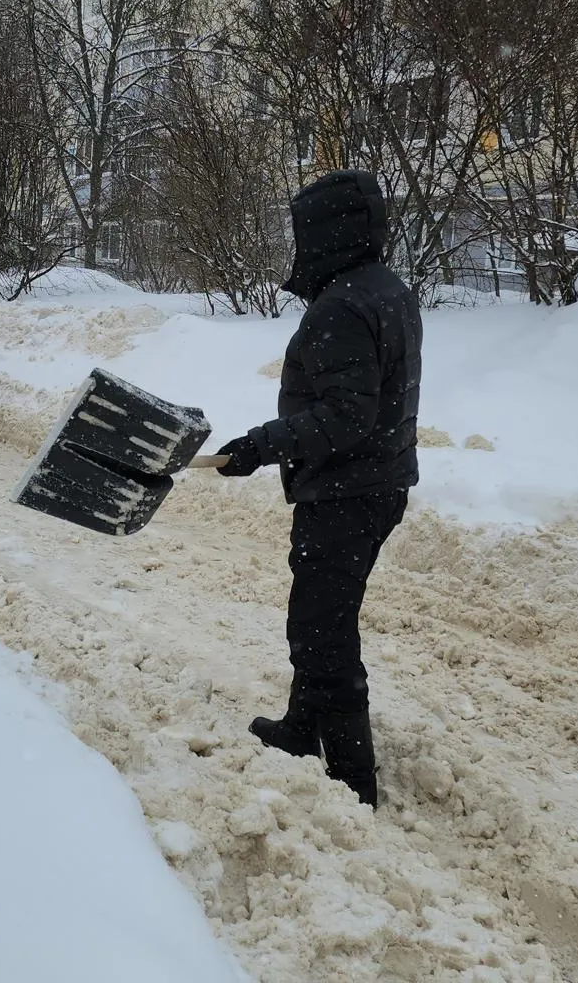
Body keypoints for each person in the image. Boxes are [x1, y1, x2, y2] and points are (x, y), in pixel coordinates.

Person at [211, 170, 421, 808]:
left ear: (328, 231)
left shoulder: (343, 305)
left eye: (302, 232)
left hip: (346, 492)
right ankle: (303, 730)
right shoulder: (385, 289)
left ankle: (355, 781)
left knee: (323, 631)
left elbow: (346, 415)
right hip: (375, 483)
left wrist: (261, 444)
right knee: (319, 616)